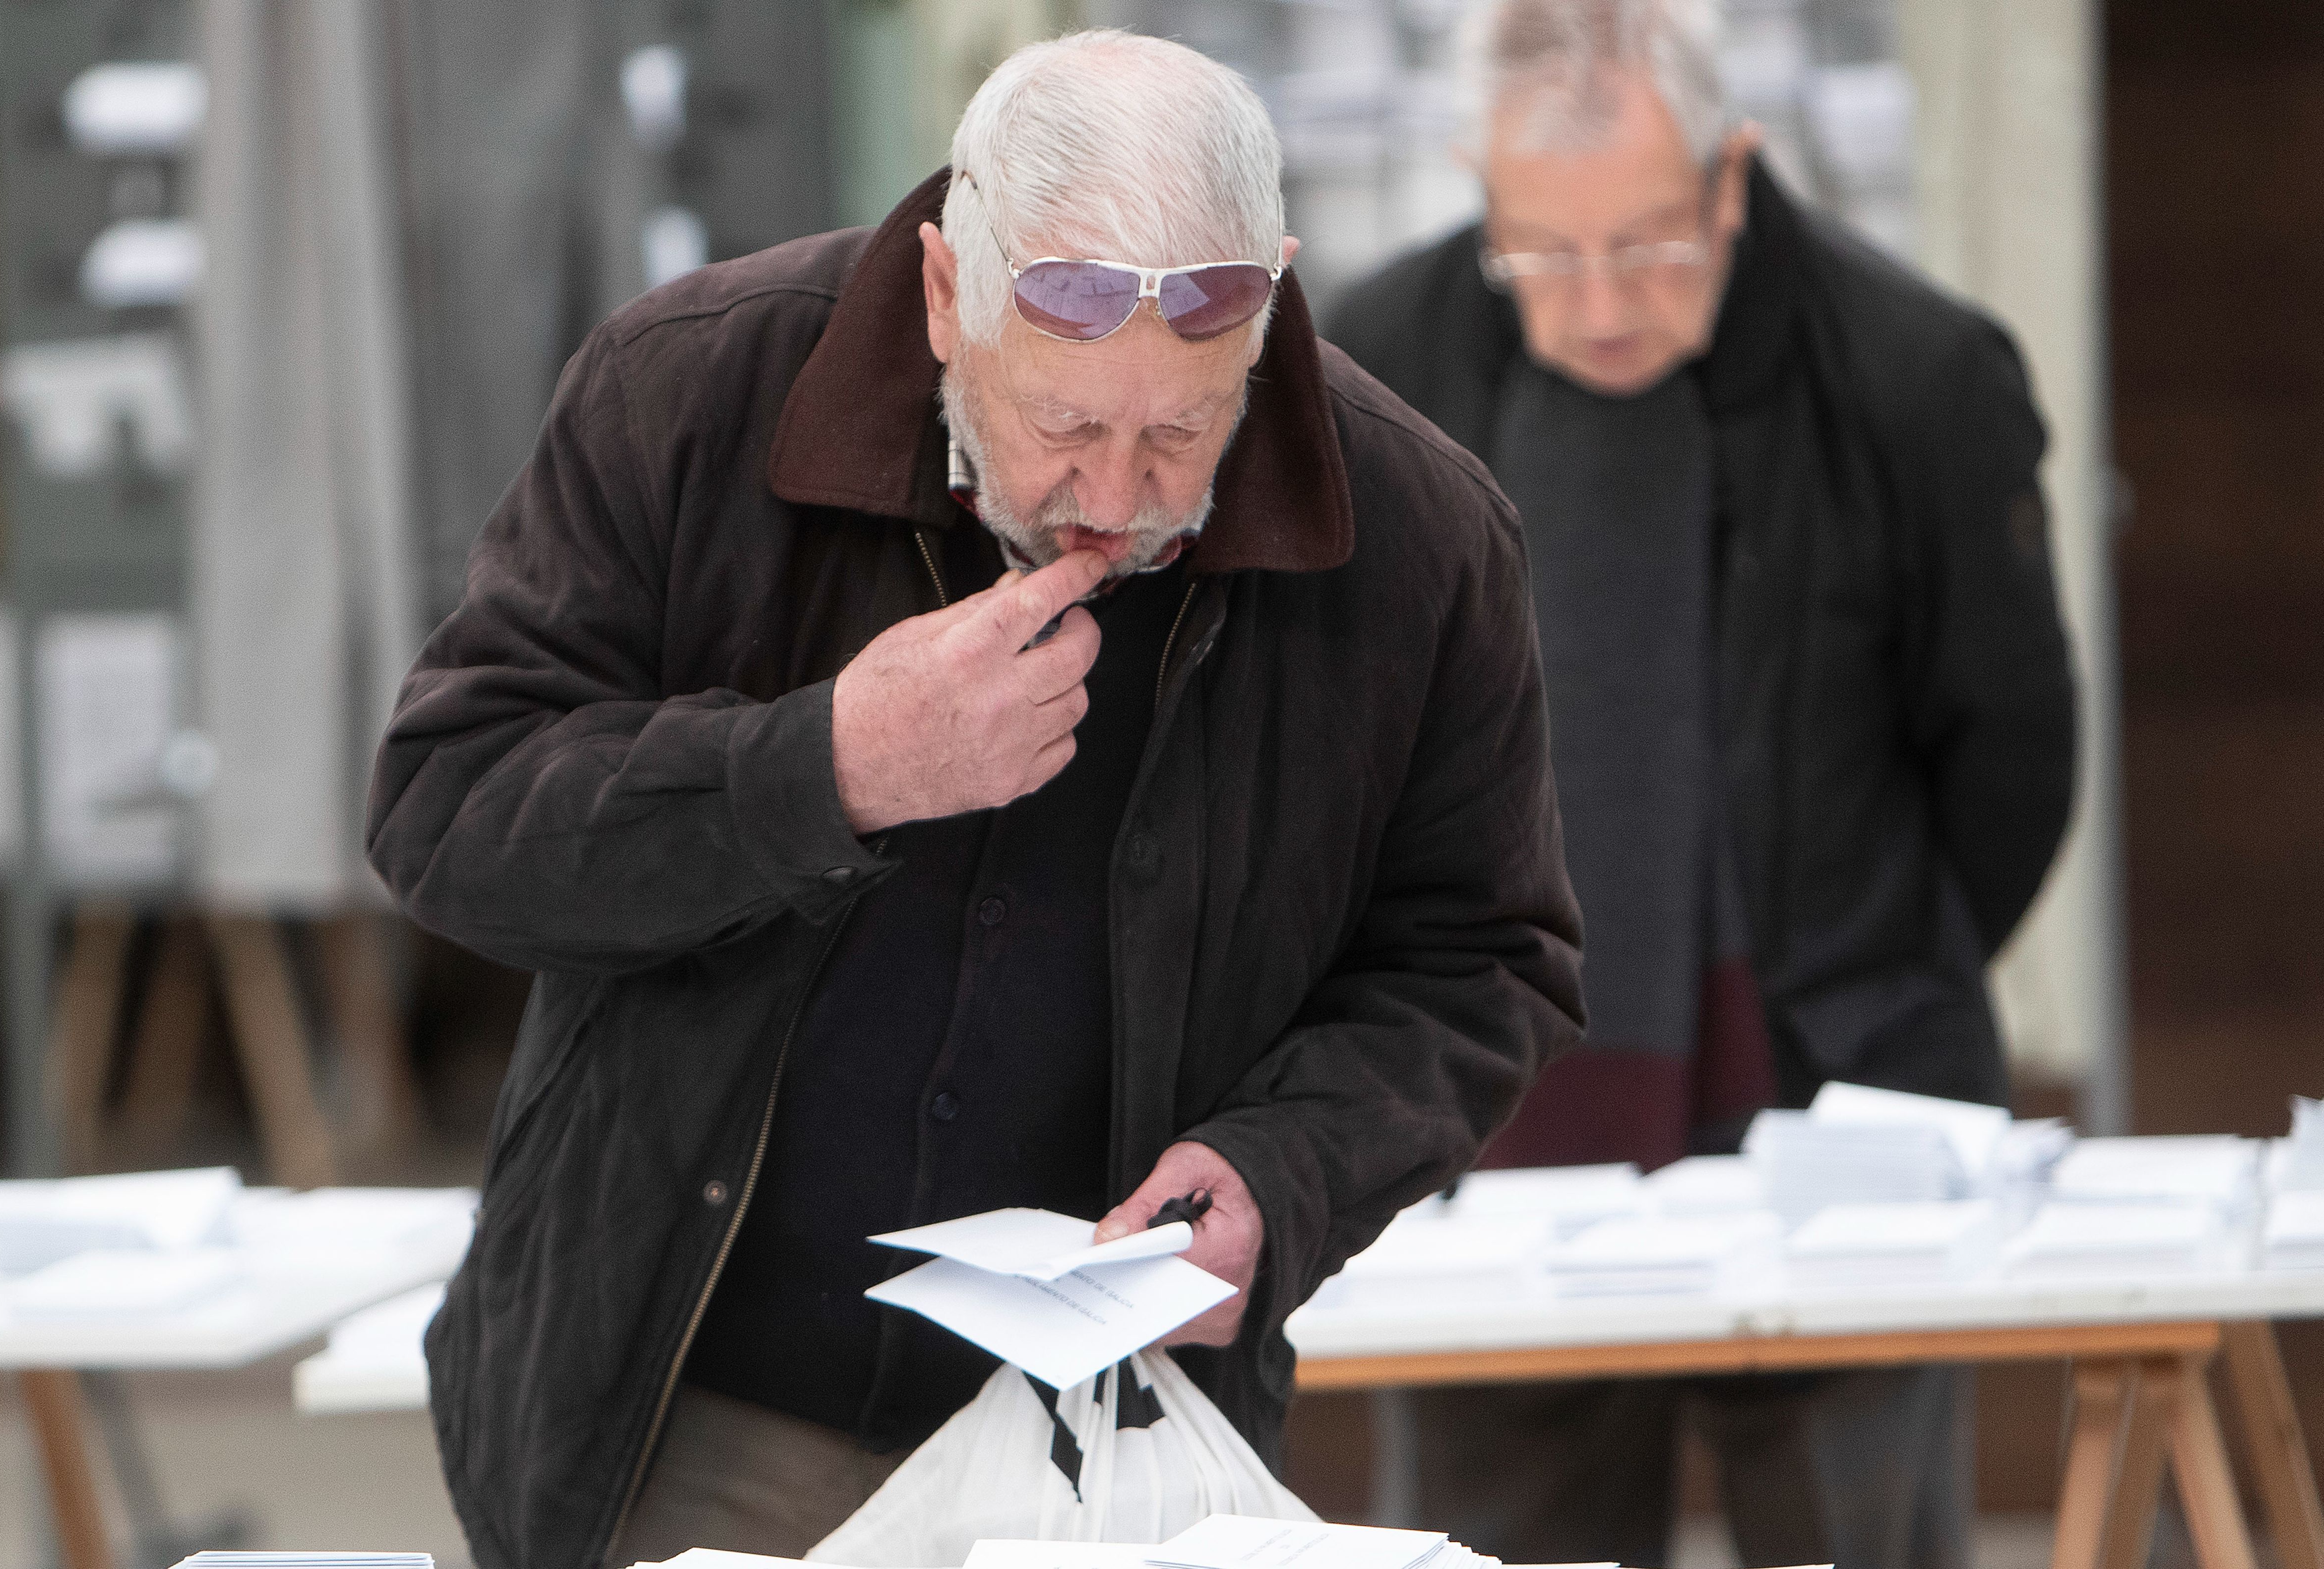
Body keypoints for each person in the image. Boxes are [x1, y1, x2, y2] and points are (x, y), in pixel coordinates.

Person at [368, 31, 1585, 1569]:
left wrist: (1288, 1171)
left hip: (1113, 1438)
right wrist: (824, 768)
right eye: (1064, 428)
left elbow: (1482, 956)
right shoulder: (688, 389)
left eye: (1180, 431)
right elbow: (446, 813)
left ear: (1265, 309)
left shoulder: (1419, 534)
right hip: (686, 1397)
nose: (1121, 499)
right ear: (948, 295)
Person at [1324, 2, 2078, 1566]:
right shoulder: (1369, 371)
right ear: (1479, 193)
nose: (1598, 302)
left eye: (1650, 244)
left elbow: (2008, 758)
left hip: (1835, 1100)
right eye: (1543, 252)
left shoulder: (1915, 375)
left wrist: (1874, 956)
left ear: (1730, 179)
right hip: (1500, 1125)